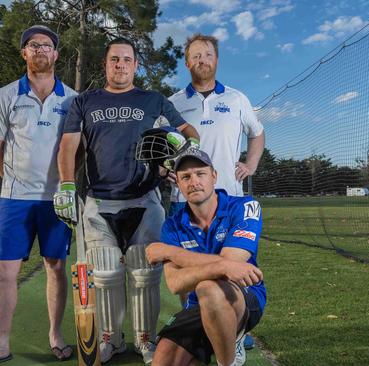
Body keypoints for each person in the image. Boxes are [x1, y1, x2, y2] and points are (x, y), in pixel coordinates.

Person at [54, 37, 200, 364]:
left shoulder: (153, 100)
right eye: (114, 60)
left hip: (144, 199)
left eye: (127, 60)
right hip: (99, 201)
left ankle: (145, 340)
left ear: (135, 65)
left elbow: (189, 133)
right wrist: (65, 185)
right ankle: (110, 339)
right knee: (105, 274)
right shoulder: (84, 102)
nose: (120, 65)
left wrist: (176, 158)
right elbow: (67, 147)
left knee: (145, 274)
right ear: (106, 65)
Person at [0, 25, 77, 366]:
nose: (41, 50)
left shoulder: (73, 98)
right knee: (4, 272)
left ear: (56, 54)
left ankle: (55, 336)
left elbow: (79, 149)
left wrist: (67, 184)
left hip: (56, 201)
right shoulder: (5, 95)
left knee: (56, 266)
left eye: (47, 45)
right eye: (34, 45)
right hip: (15, 199)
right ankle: (0, 343)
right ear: (24, 53)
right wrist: (14, 181)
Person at [168, 33, 265, 356]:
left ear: (216, 59)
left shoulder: (237, 99)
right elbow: (158, 145)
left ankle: (236, 327)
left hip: (228, 204)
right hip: (185, 201)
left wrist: (249, 164)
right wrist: (164, 169)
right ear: (187, 62)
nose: (202, 60)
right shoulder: (173, 103)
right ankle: (199, 325)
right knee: (187, 272)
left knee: (232, 269)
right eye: (195, 55)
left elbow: (258, 133)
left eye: (207, 55)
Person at [146, 147, 266, 366]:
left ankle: (229, 356)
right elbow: (175, 283)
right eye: (186, 177)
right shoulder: (172, 226)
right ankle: (217, 341)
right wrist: (223, 267)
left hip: (244, 297)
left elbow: (232, 263)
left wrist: (170, 252)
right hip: (196, 305)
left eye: (200, 173)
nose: (194, 182)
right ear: (179, 184)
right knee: (163, 360)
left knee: (208, 288)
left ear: (214, 176)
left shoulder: (245, 206)